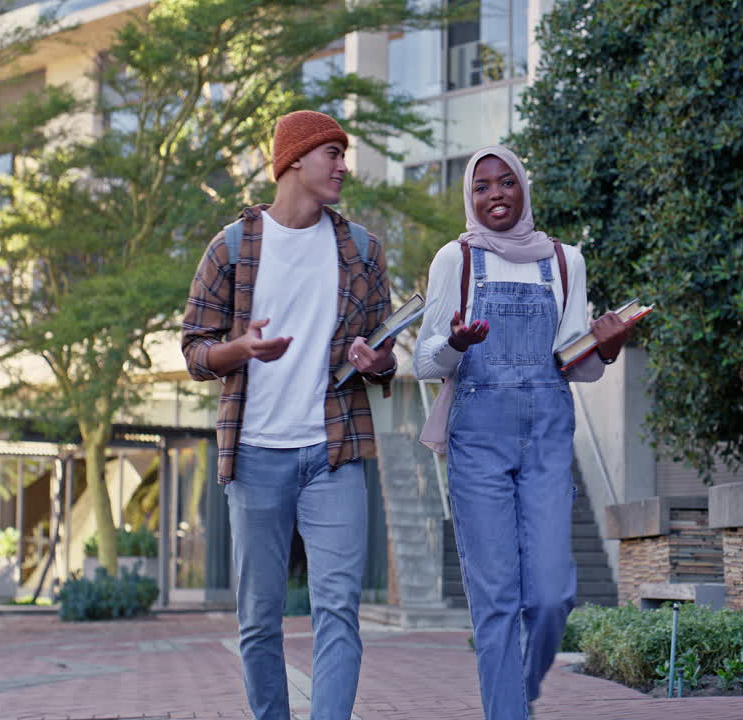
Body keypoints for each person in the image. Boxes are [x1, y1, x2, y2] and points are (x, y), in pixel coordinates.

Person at [181, 109, 396, 720]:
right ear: (294, 160)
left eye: (344, 153)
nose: (343, 166)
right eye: (332, 153)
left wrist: (375, 358)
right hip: (253, 456)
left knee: (338, 612)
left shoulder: (361, 251)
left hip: (335, 454)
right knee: (258, 619)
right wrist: (239, 349)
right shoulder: (231, 247)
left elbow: (386, 357)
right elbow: (194, 349)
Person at [414, 145, 632, 719]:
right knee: (496, 601)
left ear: (523, 188)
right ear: (470, 196)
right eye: (481, 186)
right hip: (477, 436)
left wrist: (605, 346)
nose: (495, 195)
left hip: (546, 434)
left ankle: (520, 691)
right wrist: (457, 343)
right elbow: (424, 360)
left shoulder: (565, 261)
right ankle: (508, 711)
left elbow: (576, 365)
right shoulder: (454, 260)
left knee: (553, 594)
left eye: (505, 182)